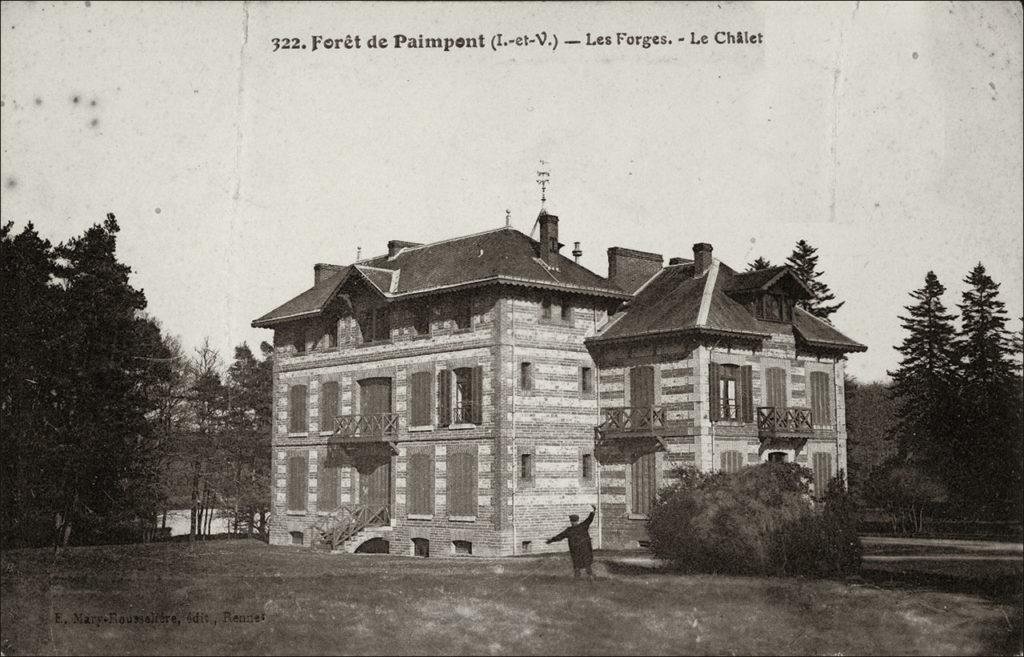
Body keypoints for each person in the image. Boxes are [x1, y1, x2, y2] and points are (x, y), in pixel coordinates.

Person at [546, 504, 597, 579]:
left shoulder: (575, 528)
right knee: (582, 563)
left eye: (573, 521)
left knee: (581, 563)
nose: (572, 522)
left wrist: (551, 540)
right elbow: (560, 536)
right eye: (572, 521)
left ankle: (585, 576)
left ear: (574, 521)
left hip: (580, 550)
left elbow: (560, 536)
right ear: (574, 521)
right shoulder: (578, 527)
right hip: (580, 550)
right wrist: (551, 540)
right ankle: (584, 576)